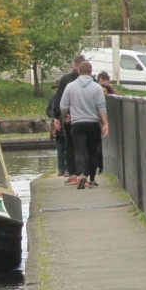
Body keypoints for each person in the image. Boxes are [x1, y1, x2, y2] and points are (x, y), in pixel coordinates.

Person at [59, 60, 109, 189]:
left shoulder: (70, 87)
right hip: (93, 123)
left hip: (77, 124)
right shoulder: (97, 87)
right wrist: (105, 123)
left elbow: (63, 106)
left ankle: (81, 173)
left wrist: (65, 116)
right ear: (91, 72)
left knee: (79, 150)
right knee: (92, 151)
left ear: (79, 71)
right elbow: (101, 106)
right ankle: (92, 179)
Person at [49, 54, 86, 182]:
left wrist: (58, 117)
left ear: (74, 65)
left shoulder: (66, 80)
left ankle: (72, 174)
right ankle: (85, 173)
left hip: (70, 118)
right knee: (85, 146)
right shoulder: (91, 81)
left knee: (70, 145)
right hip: (87, 118)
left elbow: (59, 101)